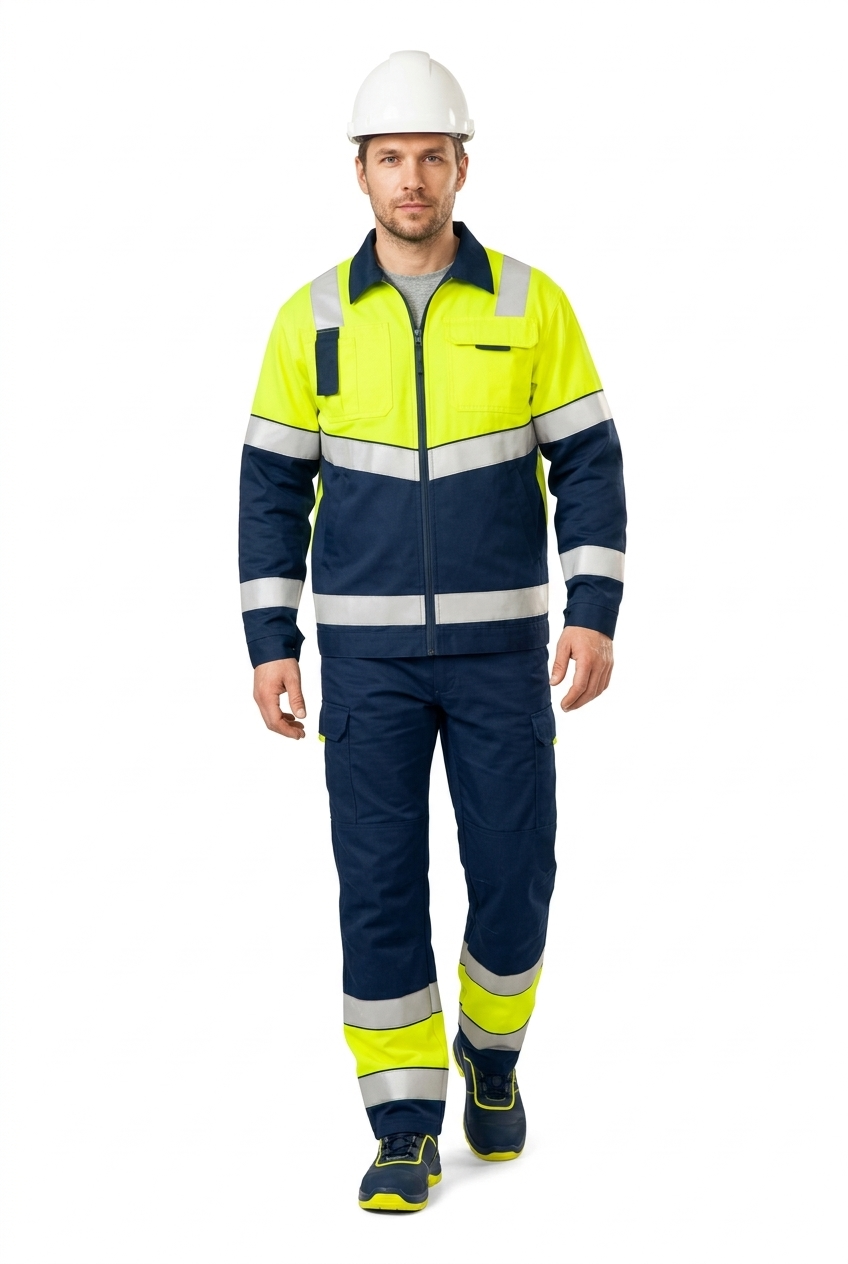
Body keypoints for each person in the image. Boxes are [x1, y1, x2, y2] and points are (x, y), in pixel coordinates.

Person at [238, 50, 626, 1212]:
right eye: (390, 158)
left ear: (461, 168)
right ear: (359, 174)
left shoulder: (528, 304)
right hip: (366, 664)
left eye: (431, 157)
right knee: (378, 888)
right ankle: (403, 1123)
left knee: (515, 875)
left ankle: (490, 1060)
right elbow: (269, 489)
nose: (411, 178)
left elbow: (589, 464)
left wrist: (592, 611)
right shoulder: (310, 318)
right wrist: (270, 639)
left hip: (503, 657)